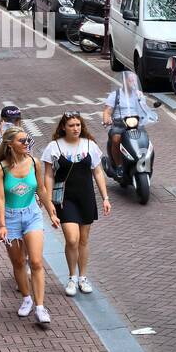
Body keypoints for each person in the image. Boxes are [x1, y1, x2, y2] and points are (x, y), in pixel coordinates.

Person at [0, 126, 58, 326]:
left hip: (32, 215)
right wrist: (2, 225)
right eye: (22, 141)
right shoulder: (0, 168)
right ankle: (26, 298)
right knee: (19, 262)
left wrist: (51, 212)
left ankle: (40, 307)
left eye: (28, 140)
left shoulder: (34, 163)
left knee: (36, 262)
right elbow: (0, 198)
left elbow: (41, 189)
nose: (27, 144)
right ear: (10, 144)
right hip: (11, 218)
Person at [41, 113, 110, 298]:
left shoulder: (90, 145)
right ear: (63, 127)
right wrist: (48, 201)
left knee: (83, 240)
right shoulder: (53, 147)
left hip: (85, 197)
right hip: (65, 199)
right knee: (72, 239)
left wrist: (105, 197)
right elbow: (48, 175)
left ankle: (83, 277)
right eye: (71, 125)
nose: (76, 128)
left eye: (78, 125)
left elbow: (97, 172)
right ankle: (72, 276)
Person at [101, 72, 156, 167]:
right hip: (119, 124)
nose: (133, 82)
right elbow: (107, 111)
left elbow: (144, 108)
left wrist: (150, 115)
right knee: (116, 139)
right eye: (130, 80)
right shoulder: (115, 95)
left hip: (136, 124)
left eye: (134, 80)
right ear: (124, 81)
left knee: (146, 140)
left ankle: (146, 165)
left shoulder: (138, 95)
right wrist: (107, 119)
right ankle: (119, 166)